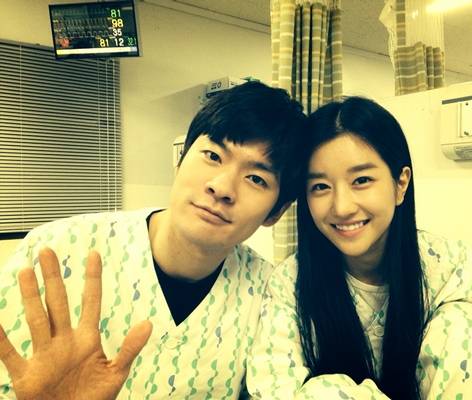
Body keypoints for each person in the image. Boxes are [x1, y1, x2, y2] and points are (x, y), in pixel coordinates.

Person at [0, 81, 307, 399]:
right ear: (180, 159)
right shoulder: (56, 251)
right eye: (213, 155)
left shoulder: (268, 295)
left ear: (276, 212)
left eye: (256, 178)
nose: (222, 187)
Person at [247, 97, 472, 399]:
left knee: (468, 328)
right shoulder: (290, 284)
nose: (342, 207)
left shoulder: (452, 268)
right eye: (320, 187)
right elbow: (273, 388)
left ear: (400, 184)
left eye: (361, 180)